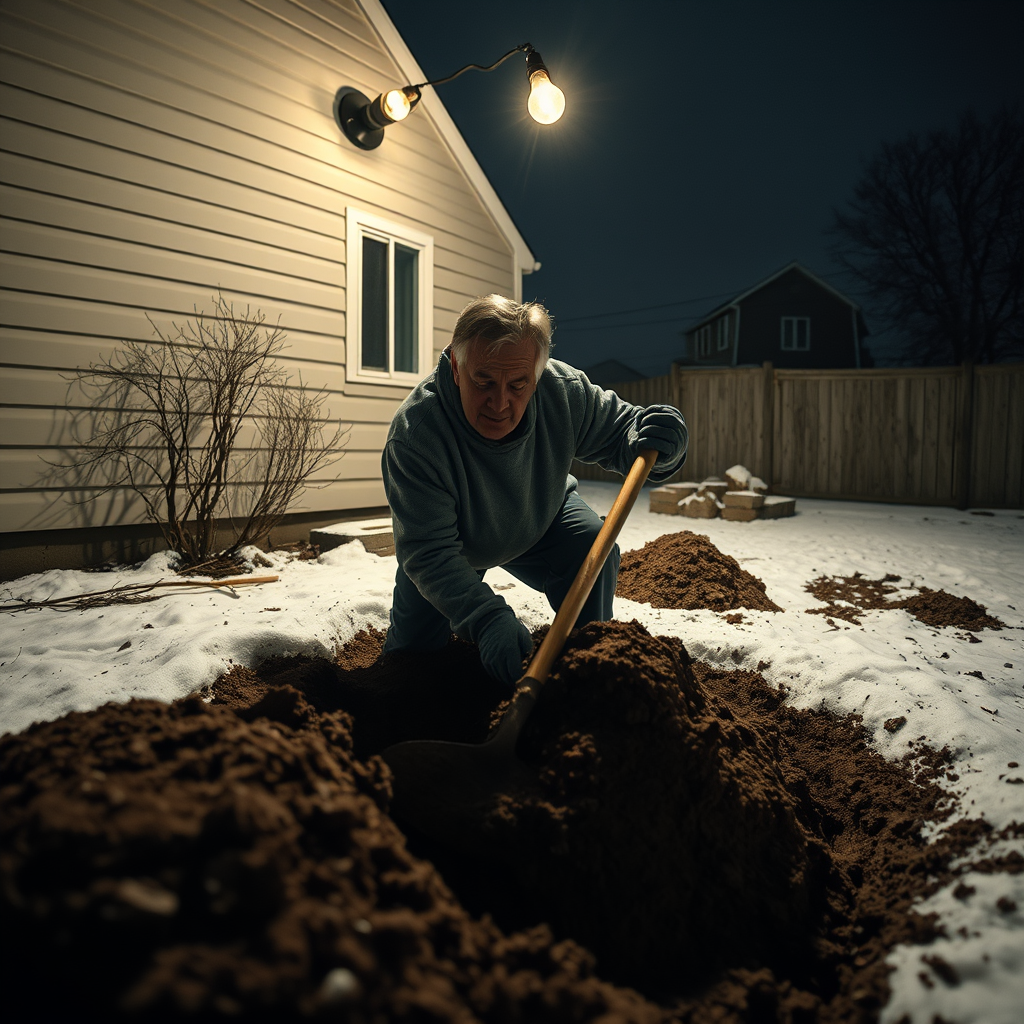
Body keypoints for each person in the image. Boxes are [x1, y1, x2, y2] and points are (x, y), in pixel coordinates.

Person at [381, 294, 688, 688]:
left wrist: (660, 443)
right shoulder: (417, 436)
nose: (500, 402)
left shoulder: (562, 391)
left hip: (543, 516)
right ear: (456, 367)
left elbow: (626, 435)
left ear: (538, 375)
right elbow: (429, 553)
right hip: (454, 546)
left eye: (518, 384)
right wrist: (487, 618)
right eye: (484, 381)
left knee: (590, 549)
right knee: (409, 665)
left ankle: (587, 670)